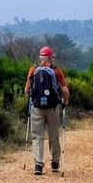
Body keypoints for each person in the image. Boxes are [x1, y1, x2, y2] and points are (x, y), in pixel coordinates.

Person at [24, 46, 70, 176]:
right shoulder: (56, 71)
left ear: (40, 57)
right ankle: (55, 163)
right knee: (53, 134)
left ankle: (38, 165)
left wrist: (31, 97)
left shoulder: (33, 69)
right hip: (53, 107)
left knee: (37, 136)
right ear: (51, 57)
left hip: (37, 107)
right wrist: (65, 103)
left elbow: (27, 90)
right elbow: (65, 90)